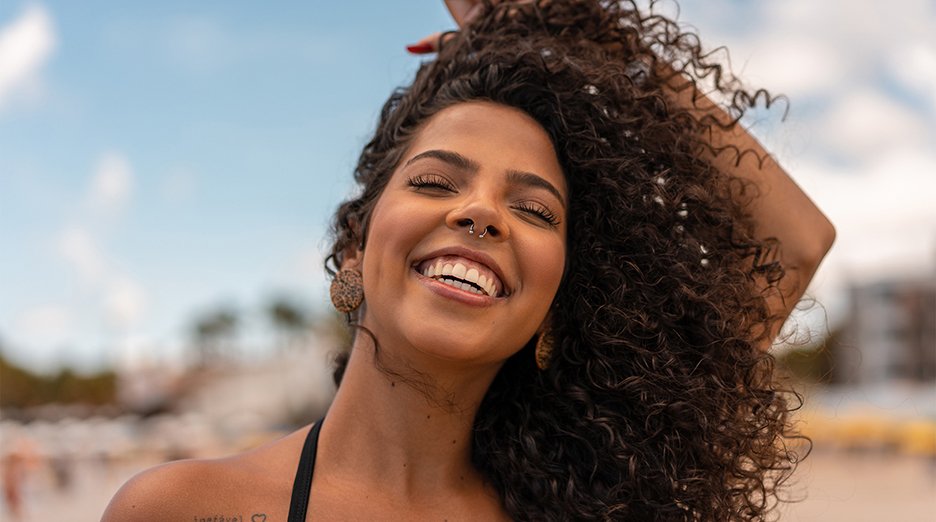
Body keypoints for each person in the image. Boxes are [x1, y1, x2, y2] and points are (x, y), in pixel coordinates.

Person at [103, 1, 835, 520]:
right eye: (434, 182)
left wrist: (583, 24)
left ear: (555, 300)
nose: (481, 211)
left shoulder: (588, 506)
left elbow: (796, 242)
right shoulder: (182, 510)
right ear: (354, 243)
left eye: (535, 210)